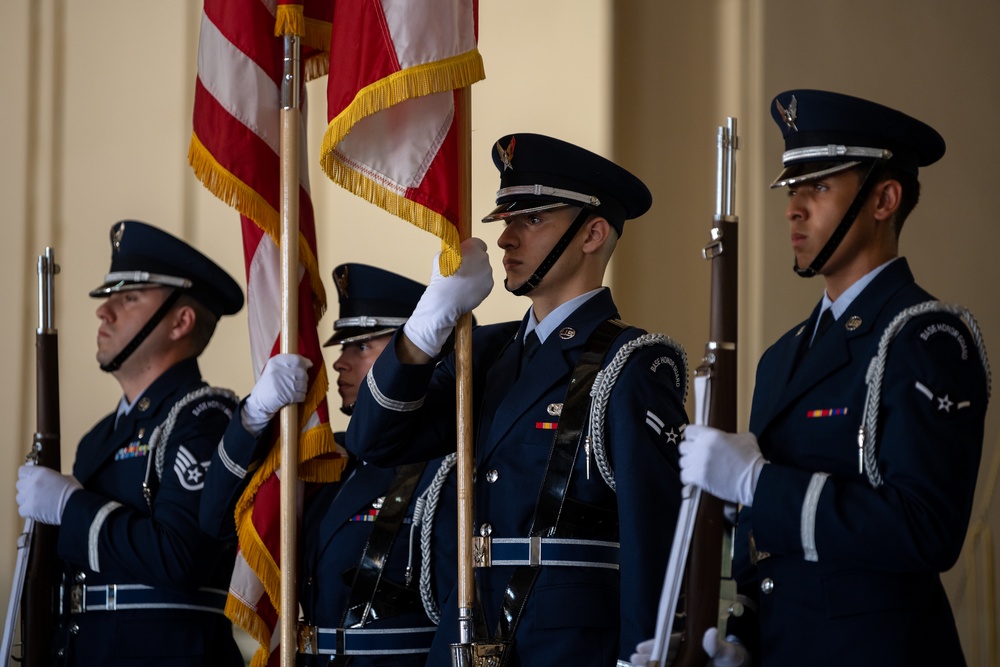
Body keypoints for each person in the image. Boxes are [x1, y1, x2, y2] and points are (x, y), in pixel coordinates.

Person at [670, 90, 991, 666]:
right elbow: (760, 547)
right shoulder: (779, 357)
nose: (794, 207)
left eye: (818, 186)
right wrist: (741, 632)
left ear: (884, 199)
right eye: (792, 188)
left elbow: (925, 528)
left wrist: (757, 485)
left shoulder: (927, 337)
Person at [346, 133, 690, 666]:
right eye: (506, 220)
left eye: (531, 220)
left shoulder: (631, 363)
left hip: (562, 649)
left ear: (592, 234)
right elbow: (374, 440)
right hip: (466, 637)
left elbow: (656, 539)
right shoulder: (480, 354)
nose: (506, 239)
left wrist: (644, 656)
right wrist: (424, 326)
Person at [200, 263, 459, 666]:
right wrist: (254, 415)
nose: (339, 363)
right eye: (343, 347)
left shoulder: (449, 466)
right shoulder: (327, 460)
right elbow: (215, 520)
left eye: (362, 346)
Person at [15, 220, 246, 666]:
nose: (105, 312)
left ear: (180, 321)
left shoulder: (203, 420)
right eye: (108, 298)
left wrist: (71, 507)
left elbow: (180, 558)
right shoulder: (99, 438)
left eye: (129, 298)